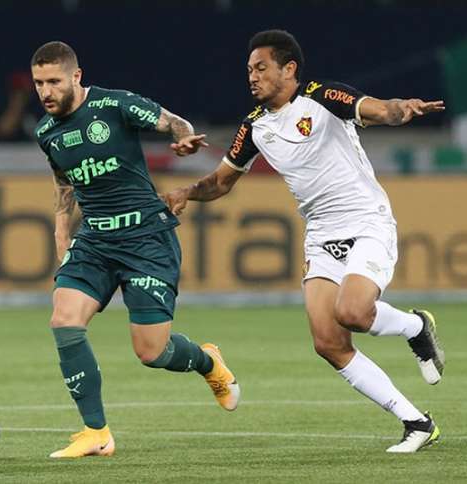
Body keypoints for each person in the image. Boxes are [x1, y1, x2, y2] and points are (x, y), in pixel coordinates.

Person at [164, 30, 445, 453]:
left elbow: (375, 108)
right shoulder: (255, 127)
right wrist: (187, 192)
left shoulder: (323, 97)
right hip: (321, 236)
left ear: (289, 68)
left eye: (261, 68)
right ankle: (416, 422)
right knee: (328, 343)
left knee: (351, 311)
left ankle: (415, 326)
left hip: (367, 222)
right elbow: (221, 182)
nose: (252, 77)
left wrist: (398, 109)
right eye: (249, 70)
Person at [31, 41, 239, 459]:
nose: (45, 91)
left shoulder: (115, 105)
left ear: (76, 76)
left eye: (53, 81)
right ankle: (97, 433)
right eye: (38, 83)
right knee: (64, 319)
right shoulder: (46, 133)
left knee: (152, 352)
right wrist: (61, 232)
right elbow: (65, 183)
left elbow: (173, 122)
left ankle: (207, 361)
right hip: (95, 241)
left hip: (146, 239)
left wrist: (183, 140)